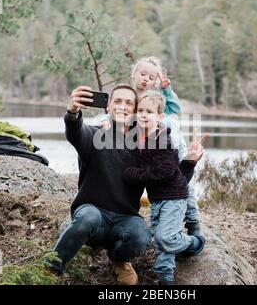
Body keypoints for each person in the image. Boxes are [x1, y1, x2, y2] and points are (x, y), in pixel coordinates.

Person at [47, 84, 150, 285]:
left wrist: (189, 163)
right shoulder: (94, 135)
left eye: (129, 103)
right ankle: (52, 267)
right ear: (108, 107)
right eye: (118, 101)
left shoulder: (144, 146)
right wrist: (73, 111)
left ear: (136, 110)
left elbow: (167, 176)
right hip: (93, 215)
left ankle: (119, 260)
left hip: (124, 219)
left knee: (141, 235)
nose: (123, 106)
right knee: (88, 217)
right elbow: (76, 131)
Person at [100, 56, 203, 236]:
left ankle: (192, 219)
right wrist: (105, 122)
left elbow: (175, 109)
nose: (146, 79)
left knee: (184, 181)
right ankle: (159, 220)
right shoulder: (129, 97)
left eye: (151, 77)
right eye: (142, 74)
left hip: (173, 144)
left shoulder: (157, 98)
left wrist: (167, 89)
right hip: (149, 147)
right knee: (155, 181)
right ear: (134, 75)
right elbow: (116, 112)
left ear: (156, 81)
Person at [122, 90, 205, 285]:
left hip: (174, 196)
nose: (143, 114)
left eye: (149, 112)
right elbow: (114, 117)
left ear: (160, 117)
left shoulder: (163, 140)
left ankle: (194, 242)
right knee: (160, 240)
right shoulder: (140, 135)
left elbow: (163, 173)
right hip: (157, 198)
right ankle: (165, 275)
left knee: (165, 237)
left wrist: (131, 174)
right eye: (140, 110)